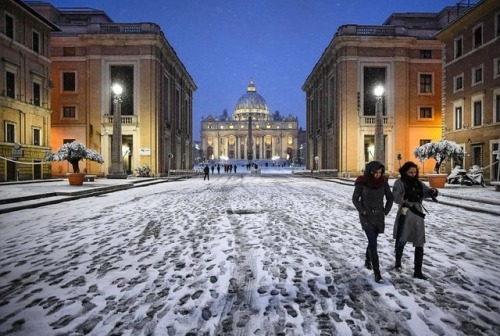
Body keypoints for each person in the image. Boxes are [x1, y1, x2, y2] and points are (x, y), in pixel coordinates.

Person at [392, 161, 438, 280]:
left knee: (419, 241)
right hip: (405, 212)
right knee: (402, 238)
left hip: (417, 214)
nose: (413, 174)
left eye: (414, 172)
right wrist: (405, 195)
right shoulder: (399, 182)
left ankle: (418, 271)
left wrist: (433, 191)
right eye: (410, 172)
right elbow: (396, 198)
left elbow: (427, 192)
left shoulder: (418, 183)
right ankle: (398, 259)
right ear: (405, 172)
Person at [352, 161, 394, 283]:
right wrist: (363, 211)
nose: (378, 175)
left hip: (379, 216)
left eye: (380, 172)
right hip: (366, 216)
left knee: (373, 240)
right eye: (375, 172)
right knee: (373, 242)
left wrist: (385, 211)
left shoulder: (383, 182)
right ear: (370, 171)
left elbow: (390, 197)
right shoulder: (362, 182)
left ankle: (367, 260)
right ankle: (377, 273)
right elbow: (355, 198)